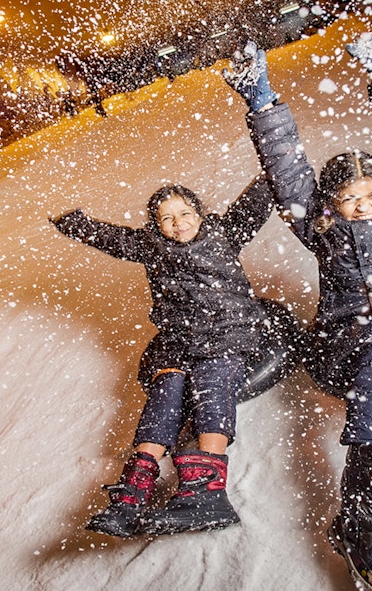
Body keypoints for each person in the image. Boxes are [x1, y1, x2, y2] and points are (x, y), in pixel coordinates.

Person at [222, 34, 372, 590]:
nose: (364, 206)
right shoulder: (322, 229)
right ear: (330, 205)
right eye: (350, 198)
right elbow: (287, 167)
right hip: (357, 341)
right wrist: (260, 98)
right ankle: (366, 525)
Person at [51, 173, 301, 537]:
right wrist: (73, 222)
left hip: (226, 332)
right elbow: (111, 238)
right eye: (167, 218)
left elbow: (255, 205)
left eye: (184, 213)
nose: (178, 223)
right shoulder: (150, 245)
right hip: (178, 339)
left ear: (199, 214)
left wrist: (275, 169)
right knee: (165, 394)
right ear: (156, 225)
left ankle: (206, 492)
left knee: (211, 385)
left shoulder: (224, 233)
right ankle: (132, 494)